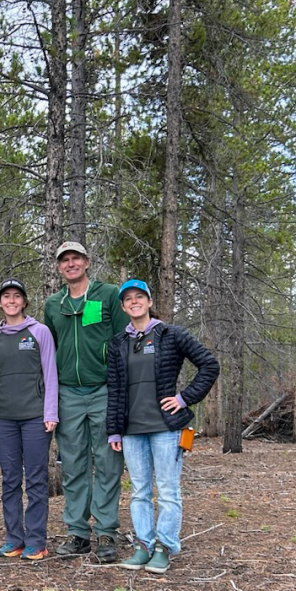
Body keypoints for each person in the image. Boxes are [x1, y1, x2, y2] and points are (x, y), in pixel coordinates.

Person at [106, 279, 219, 574]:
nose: (134, 302)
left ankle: (164, 547)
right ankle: (143, 545)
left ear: (149, 301)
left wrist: (183, 399)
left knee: (168, 491)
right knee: (139, 491)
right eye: (128, 298)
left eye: (139, 296)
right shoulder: (119, 343)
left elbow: (210, 365)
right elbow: (115, 389)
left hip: (166, 428)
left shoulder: (171, 334)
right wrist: (114, 429)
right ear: (123, 306)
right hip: (132, 430)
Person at [42, 241, 130, 563]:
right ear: (59, 267)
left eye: (75, 258)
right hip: (69, 394)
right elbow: (48, 352)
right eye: (64, 260)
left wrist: (123, 389)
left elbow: (123, 341)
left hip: (104, 391)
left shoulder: (107, 295)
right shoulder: (53, 304)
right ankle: (77, 532)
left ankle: (106, 530)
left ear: (87, 262)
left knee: (107, 463)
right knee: (75, 465)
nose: (70, 264)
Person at [0, 279, 59, 561]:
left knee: (37, 479)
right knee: (10, 480)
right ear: (0, 303)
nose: (12, 301)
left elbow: (50, 373)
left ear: (25, 302)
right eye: (6, 297)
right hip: (4, 419)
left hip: (36, 419)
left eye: (17, 296)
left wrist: (50, 412)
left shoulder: (40, 332)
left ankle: (36, 540)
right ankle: (14, 538)